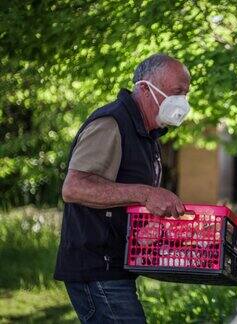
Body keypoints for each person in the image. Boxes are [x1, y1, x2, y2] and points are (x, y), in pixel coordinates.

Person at [54, 53, 191, 323]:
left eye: (186, 94)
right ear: (145, 89)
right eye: (177, 92)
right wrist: (146, 193)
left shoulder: (148, 135)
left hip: (116, 267)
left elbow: (123, 198)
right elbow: (74, 187)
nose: (183, 103)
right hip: (96, 269)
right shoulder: (111, 123)